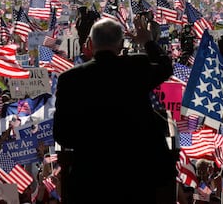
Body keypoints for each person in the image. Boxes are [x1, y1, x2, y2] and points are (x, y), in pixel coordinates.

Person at [53, 17, 177, 204]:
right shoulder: (137, 67)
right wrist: (148, 41)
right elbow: (166, 67)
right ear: (121, 44)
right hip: (137, 179)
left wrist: (93, 141)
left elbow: (62, 135)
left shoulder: (69, 79)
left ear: (90, 43)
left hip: (90, 181)